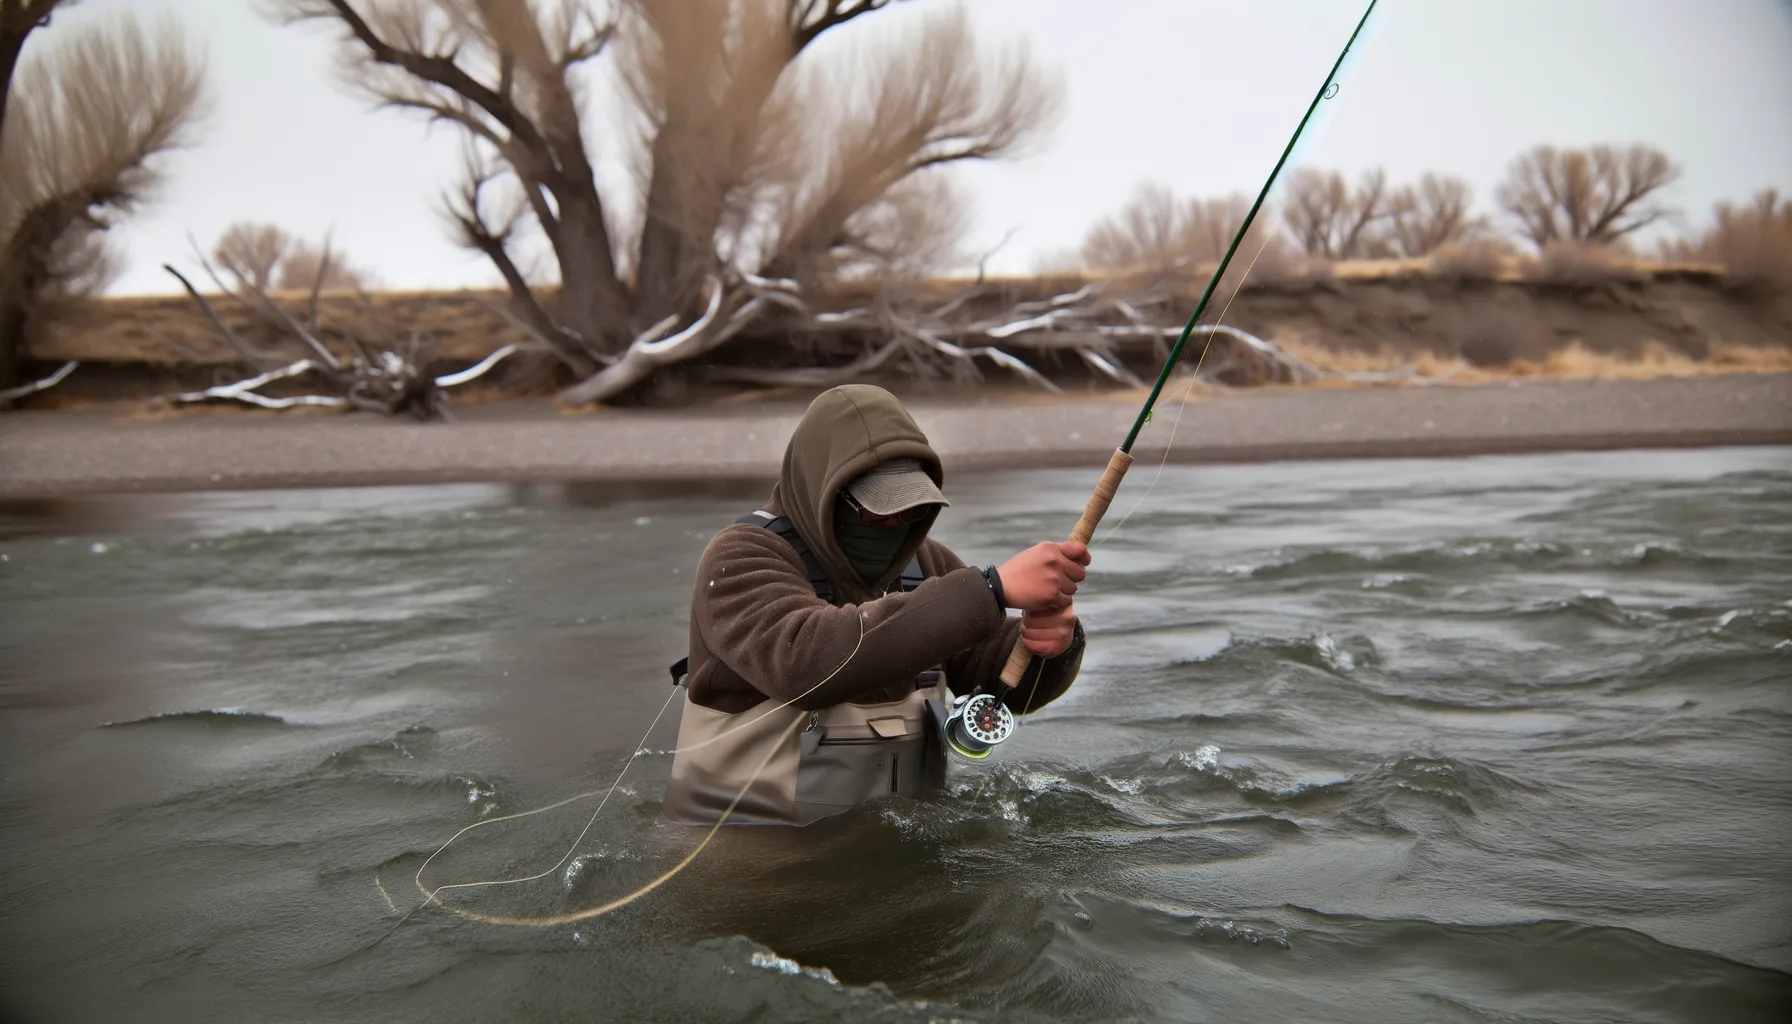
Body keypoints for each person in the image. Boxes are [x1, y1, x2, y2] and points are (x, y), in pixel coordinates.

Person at [664, 384, 1091, 826]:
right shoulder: (741, 558)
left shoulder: (929, 564)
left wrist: (1050, 643)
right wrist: (992, 589)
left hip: (903, 864)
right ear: (824, 491)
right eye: (876, 511)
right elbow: (805, 662)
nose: (894, 525)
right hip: (751, 862)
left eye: (910, 510)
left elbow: (1001, 686)